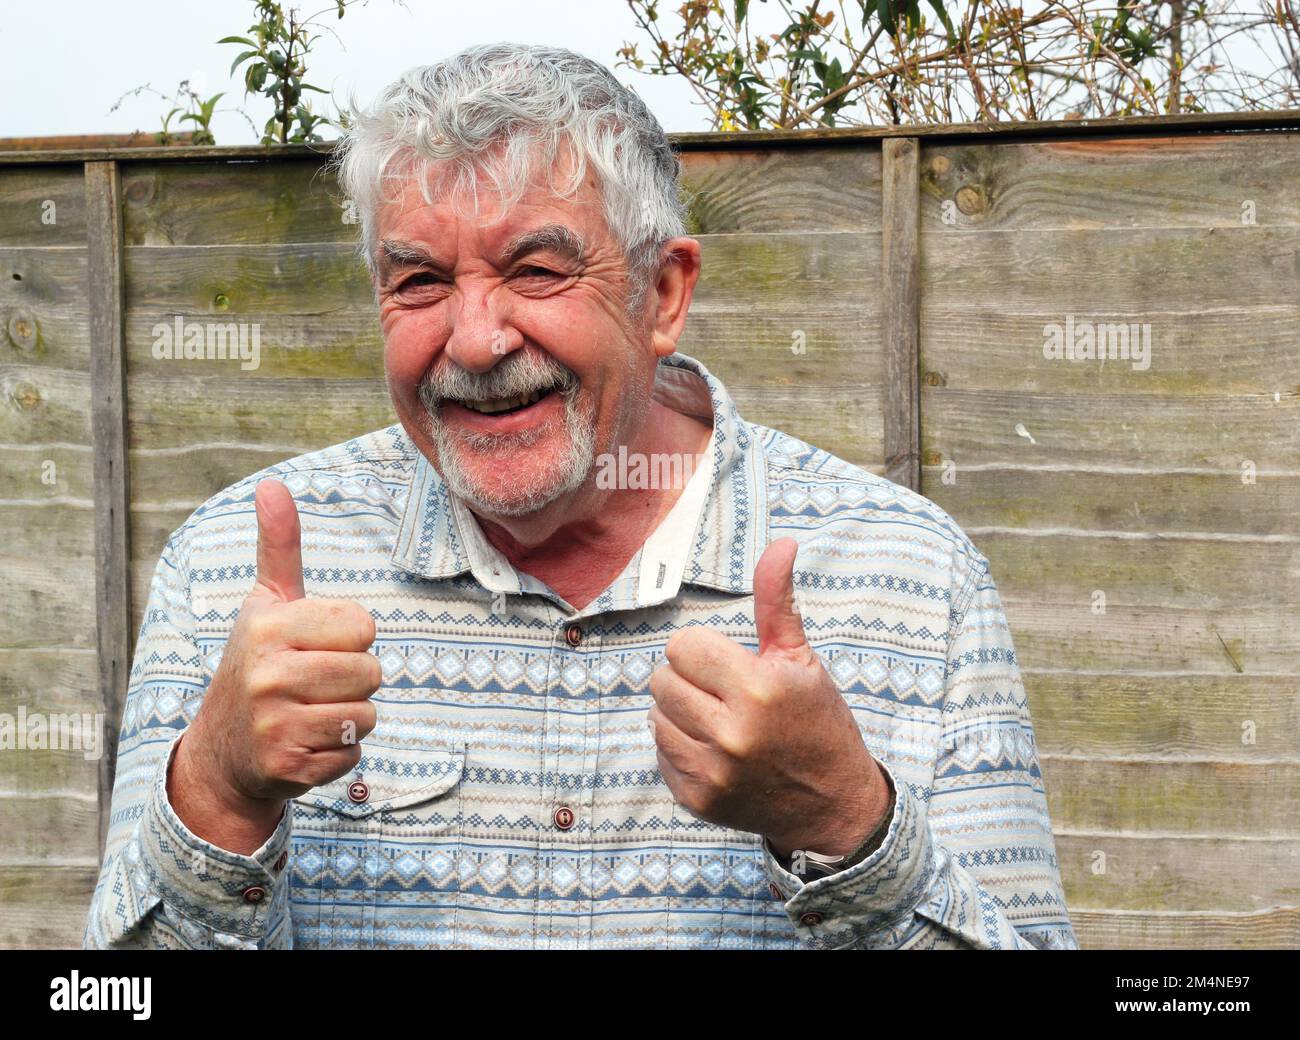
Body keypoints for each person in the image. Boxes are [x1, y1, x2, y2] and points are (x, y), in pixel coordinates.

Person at [84, 42, 1077, 950]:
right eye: (420, 281)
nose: (475, 340)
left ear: (663, 293)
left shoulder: (907, 576)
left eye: (536, 268)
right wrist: (214, 793)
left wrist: (847, 824)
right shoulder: (229, 575)